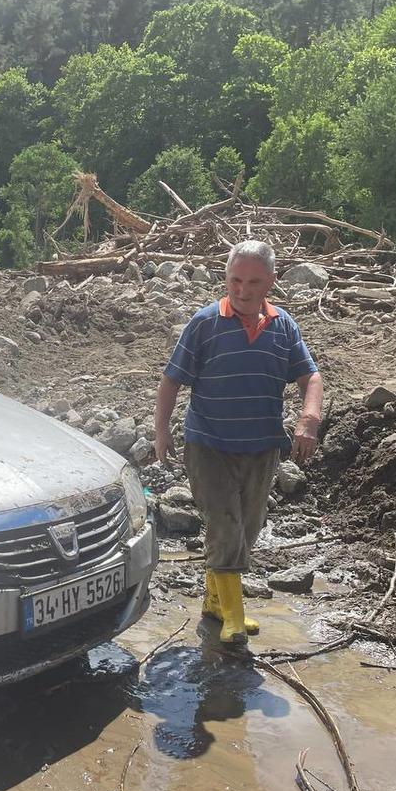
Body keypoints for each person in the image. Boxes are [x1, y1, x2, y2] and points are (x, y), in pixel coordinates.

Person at [153, 240, 323, 644]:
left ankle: (214, 602)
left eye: (253, 282)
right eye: (235, 280)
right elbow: (171, 380)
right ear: (225, 278)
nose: (242, 290)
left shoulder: (283, 326)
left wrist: (309, 420)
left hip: (262, 446)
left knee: (248, 527)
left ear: (272, 282)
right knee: (225, 528)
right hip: (208, 444)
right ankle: (233, 615)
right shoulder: (205, 323)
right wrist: (161, 431)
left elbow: (310, 377)